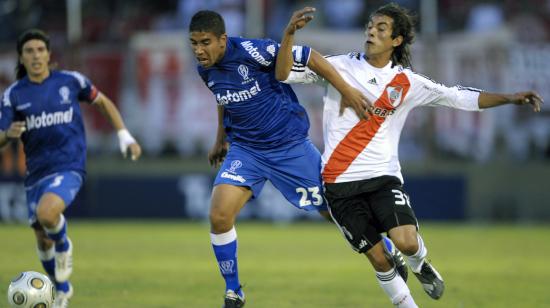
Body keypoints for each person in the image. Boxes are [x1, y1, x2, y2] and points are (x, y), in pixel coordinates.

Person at [279, 3, 543, 307]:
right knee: (379, 259)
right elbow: (285, 73)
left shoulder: (407, 83)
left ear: (396, 41)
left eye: (381, 28)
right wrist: (289, 35)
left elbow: (457, 97)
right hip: (339, 183)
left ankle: (420, 263)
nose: (371, 31)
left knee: (405, 242)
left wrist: (509, 97)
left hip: (382, 177)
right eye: (370, 25)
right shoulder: (338, 66)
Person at [189, 8, 410, 308]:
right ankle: (233, 292)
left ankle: (384, 246)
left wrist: (345, 90)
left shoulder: (254, 51)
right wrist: (221, 138)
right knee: (219, 216)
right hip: (246, 150)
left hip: (289, 146)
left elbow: (310, 56)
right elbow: (222, 97)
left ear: (222, 40)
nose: (199, 50)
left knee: (335, 211)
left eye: (204, 42)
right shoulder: (206, 68)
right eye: (194, 43)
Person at [0, 29, 142, 308]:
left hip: (69, 166)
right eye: (29, 51)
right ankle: (61, 291)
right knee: (42, 238)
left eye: (41, 49)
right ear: (21, 57)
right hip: (36, 174)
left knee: (48, 213)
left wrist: (124, 135)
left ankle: (64, 245)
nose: (36, 55)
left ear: (49, 54)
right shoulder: (13, 95)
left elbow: (102, 102)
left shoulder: (70, 81)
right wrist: (8, 133)